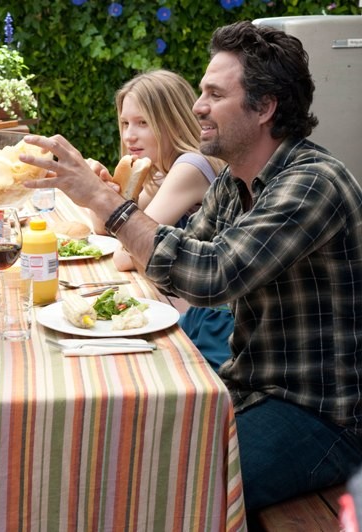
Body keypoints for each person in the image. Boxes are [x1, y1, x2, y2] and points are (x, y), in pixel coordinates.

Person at [21, 21, 362, 511]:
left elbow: (210, 275)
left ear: (264, 108)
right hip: (248, 384)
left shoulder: (312, 182)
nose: (198, 106)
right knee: (122, 442)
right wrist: (115, 203)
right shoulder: (235, 180)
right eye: (201, 91)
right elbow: (172, 255)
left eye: (214, 94)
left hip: (322, 415)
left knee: (172, 484)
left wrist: (103, 200)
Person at [87, 69, 233, 371]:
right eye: (125, 123)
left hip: (214, 326)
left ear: (171, 122)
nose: (129, 135)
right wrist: (99, 192)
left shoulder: (190, 166)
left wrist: (106, 203)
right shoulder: (157, 171)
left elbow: (125, 253)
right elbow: (105, 229)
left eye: (143, 123)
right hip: (189, 308)